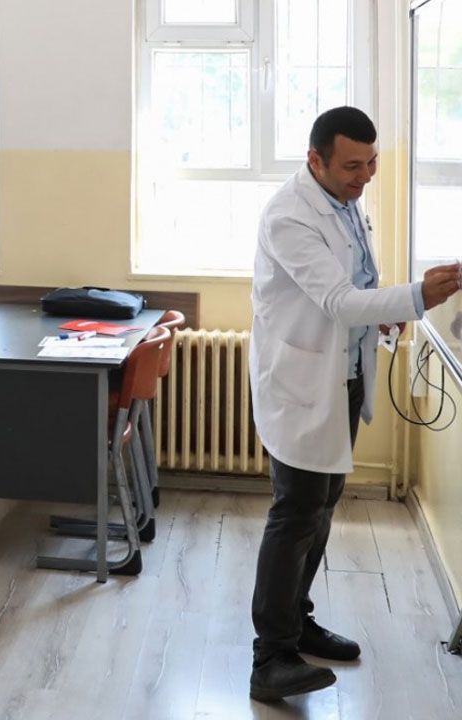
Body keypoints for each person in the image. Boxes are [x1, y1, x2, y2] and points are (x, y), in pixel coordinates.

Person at [248, 106, 462, 701]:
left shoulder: (344, 201)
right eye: (351, 166)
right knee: (295, 513)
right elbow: (339, 301)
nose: (364, 176)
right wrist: (416, 296)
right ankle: (270, 659)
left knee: (321, 507)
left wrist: (385, 310)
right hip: (301, 383)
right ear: (314, 160)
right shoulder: (290, 215)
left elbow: (360, 281)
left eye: (371, 164)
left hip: (341, 379)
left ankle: (298, 622)